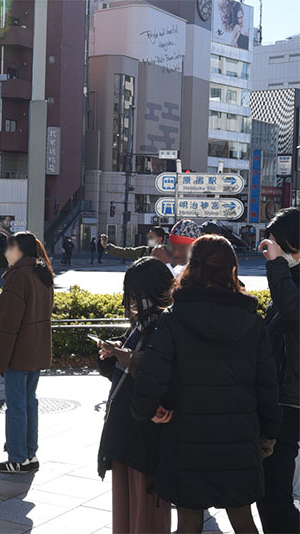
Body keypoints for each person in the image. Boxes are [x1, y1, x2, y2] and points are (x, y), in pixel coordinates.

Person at [131, 235, 281, 534]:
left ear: (192, 265)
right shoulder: (251, 320)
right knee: (242, 517)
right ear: (231, 269)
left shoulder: (174, 317)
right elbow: (267, 383)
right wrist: (269, 434)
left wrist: (147, 410)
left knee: (188, 520)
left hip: (186, 435)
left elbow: (152, 374)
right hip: (238, 434)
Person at [97, 257, 174, 533]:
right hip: (126, 432)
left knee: (146, 511)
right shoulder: (141, 325)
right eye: (131, 294)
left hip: (145, 437)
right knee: (126, 509)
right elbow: (130, 371)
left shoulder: (165, 325)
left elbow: (157, 372)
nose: (132, 301)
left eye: (139, 294)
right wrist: (113, 355)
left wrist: (126, 357)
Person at [0, 232, 54, 473]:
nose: (6, 252)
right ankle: (29, 455)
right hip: (36, 350)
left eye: (10, 247)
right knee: (29, 402)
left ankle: (17, 458)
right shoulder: (42, 274)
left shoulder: (18, 277)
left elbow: (7, 326)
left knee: (16, 405)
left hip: (18, 351)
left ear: (20, 251)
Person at [256, 207, 300, 533]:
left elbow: (293, 311)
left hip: (292, 401)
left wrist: (277, 264)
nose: (270, 247)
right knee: (271, 493)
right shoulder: (288, 278)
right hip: (282, 398)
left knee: (274, 495)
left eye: (276, 242)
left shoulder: (285, 277)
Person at [101, 227, 166, 261]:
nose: (149, 239)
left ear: (160, 239)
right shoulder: (143, 251)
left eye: (151, 237)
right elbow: (125, 252)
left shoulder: (168, 254)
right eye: (149, 237)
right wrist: (107, 246)